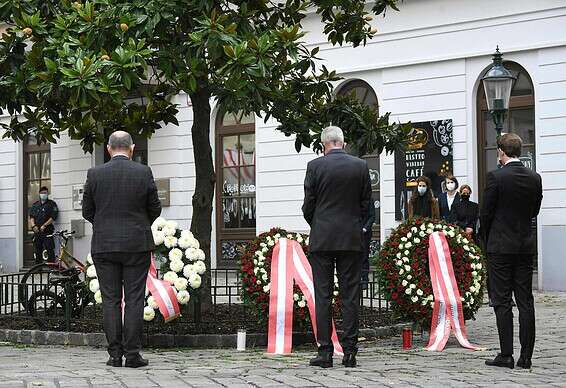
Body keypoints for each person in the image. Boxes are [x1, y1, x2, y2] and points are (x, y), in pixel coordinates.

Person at [82, 131, 161, 368]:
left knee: (111, 300)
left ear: (108, 149)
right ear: (132, 148)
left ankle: (115, 355)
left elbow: (87, 211)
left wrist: (105, 225)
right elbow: (154, 208)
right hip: (136, 244)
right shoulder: (143, 172)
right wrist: (139, 224)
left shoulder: (95, 174)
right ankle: (133, 354)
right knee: (135, 299)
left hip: (104, 245)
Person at [302, 126, 371, 369]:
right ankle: (350, 352)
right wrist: (355, 226)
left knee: (323, 295)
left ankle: (325, 351)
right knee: (350, 295)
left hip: (322, 238)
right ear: (343, 142)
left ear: (324, 145)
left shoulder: (315, 166)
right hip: (350, 239)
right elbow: (366, 206)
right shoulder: (360, 166)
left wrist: (318, 223)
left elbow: (308, 205)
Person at [481, 133, 542, 370]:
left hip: (500, 246)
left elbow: (485, 213)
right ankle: (526, 356)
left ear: (501, 151)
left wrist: (488, 239)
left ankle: (506, 354)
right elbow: (534, 210)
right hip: (524, 245)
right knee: (525, 300)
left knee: (502, 300)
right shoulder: (534, 177)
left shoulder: (496, 177)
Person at [29, 187, 59, 264]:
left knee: (50, 249)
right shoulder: (35, 205)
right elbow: (32, 217)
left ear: (47, 194)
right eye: (42, 193)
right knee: (38, 250)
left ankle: (52, 268)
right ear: (39, 194)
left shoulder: (51, 204)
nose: (43, 194)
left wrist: (45, 225)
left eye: (45, 193)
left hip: (47, 231)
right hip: (37, 232)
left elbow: (53, 217)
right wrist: (33, 226)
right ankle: (38, 269)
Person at [361, 202, 375, 289]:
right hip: (352, 233)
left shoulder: (369, 200)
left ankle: (365, 280)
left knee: (364, 257)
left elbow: (372, 216)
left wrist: (365, 228)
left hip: (365, 234)